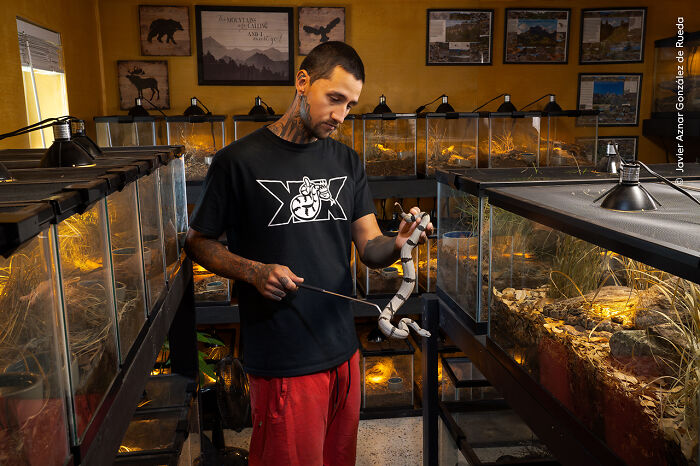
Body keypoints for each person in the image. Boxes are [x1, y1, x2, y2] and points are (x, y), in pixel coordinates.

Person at [185, 41, 433, 466]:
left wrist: (398, 242)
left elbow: (370, 246)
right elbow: (197, 242)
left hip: (344, 352)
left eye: (350, 105)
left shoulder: (348, 161)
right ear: (302, 82)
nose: (340, 116)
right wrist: (254, 271)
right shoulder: (237, 162)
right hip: (283, 360)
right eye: (334, 99)